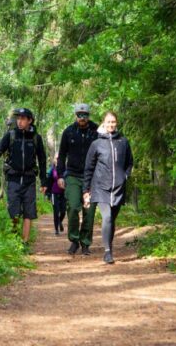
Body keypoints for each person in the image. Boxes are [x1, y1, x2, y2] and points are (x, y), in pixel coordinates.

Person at [0, 108, 46, 249]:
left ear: (30, 120)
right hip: (13, 179)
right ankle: (15, 239)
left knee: (29, 212)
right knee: (13, 211)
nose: (19, 121)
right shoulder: (10, 135)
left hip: (29, 179)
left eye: (23, 119)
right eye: (18, 118)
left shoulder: (36, 138)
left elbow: (42, 160)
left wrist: (44, 181)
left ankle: (25, 242)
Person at [83, 111, 133, 264]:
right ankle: (107, 252)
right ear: (103, 123)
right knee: (107, 217)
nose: (111, 124)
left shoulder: (123, 142)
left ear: (116, 123)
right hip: (100, 187)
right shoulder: (96, 144)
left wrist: (125, 176)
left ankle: (109, 247)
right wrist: (86, 190)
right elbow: (88, 168)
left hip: (118, 188)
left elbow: (129, 163)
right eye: (108, 122)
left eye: (113, 122)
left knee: (112, 220)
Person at [56, 103, 99, 255]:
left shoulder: (96, 131)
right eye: (80, 115)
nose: (82, 118)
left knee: (89, 211)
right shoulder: (68, 132)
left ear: (89, 116)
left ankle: (85, 243)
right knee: (73, 207)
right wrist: (60, 176)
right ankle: (74, 240)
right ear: (76, 115)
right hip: (73, 176)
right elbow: (61, 155)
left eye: (85, 115)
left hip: (92, 177)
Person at [45, 155, 66, 235]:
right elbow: (48, 182)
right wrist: (48, 193)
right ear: (54, 160)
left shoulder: (65, 169)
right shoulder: (52, 170)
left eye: (59, 158)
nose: (58, 159)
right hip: (54, 193)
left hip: (63, 193)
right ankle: (56, 229)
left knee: (63, 211)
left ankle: (60, 221)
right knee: (56, 211)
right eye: (56, 158)